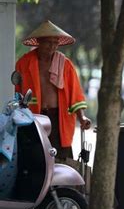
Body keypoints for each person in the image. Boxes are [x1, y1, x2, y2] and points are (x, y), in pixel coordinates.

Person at [15, 20, 91, 161]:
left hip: (58, 117)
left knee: (61, 157)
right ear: (39, 42)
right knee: (35, 155)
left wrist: (82, 118)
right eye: (48, 42)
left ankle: (63, 183)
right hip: (33, 116)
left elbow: (75, 94)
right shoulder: (24, 63)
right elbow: (18, 94)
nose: (52, 46)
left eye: (55, 42)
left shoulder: (65, 64)